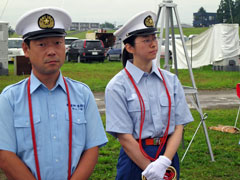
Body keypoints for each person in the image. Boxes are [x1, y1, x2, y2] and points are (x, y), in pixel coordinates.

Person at [0, 7, 108, 180]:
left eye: (57, 43)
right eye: (42, 44)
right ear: (26, 50)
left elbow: (92, 148)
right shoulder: (10, 99)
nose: (51, 51)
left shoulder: (82, 94)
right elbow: (5, 156)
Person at [105, 10, 193, 180]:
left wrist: (164, 162)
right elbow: (124, 136)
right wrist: (150, 169)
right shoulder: (117, 86)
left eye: (154, 39)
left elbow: (178, 125)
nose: (153, 44)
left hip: (167, 155)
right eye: (146, 40)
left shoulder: (171, 81)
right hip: (135, 158)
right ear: (130, 47)